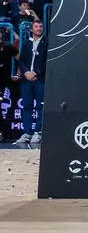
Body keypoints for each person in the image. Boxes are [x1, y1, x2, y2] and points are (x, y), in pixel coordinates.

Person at [13, 17, 46, 147]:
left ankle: (38, 131)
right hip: (26, 80)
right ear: (32, 29)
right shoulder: (27, 43)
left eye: (41, 27)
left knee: (40, 106)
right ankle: (27, 132)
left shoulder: (47, 43)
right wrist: (26, 72)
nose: (39, 29)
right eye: (36, 27)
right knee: (26, 106)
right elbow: (21, 60)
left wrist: (36, 73)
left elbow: (47, 61)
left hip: (39, 79)